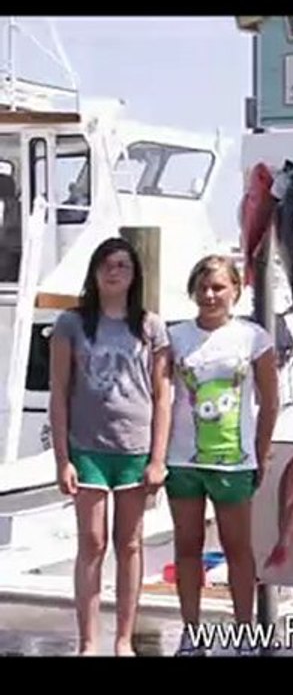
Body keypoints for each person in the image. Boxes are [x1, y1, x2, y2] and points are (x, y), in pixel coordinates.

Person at [49, 237, 171, 656]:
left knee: (131, 543)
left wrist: (158, 458)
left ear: (134, 274)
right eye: (106, 264)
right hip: (87, 448)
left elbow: (162, 395)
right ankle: (88, 642)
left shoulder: (151, 326)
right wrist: (63, 459)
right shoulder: (71, 323)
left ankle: (123, 640)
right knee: (93, 542)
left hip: (134, 450)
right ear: (95, 271)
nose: (114, 271)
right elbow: (59, 391)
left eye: (122, 264)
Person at [165, 255, 279, 656]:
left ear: (236, 291)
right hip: (182, 461)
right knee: (187, 545)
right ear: (193, 290)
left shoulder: (253, 338)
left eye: (218, 287)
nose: (210, 295)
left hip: (234, 462)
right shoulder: (174, 337)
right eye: (203, 287)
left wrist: (261, 453)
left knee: (237, 548)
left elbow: (270, 401)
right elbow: (162, 398)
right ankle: (191, 631)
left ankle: (245, 631)